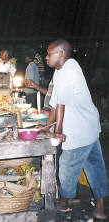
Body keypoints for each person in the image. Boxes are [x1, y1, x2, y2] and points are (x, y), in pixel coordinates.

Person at [46, 39, 108, 220]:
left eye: (50, 54)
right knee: (95, 167)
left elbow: (62, 103)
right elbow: (54, 105)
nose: (46, 57)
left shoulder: (70, 68)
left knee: (67, 167)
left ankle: (64, 203)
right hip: (88, 127)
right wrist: (45, 126)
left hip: (80, 128)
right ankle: (99, 208)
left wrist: (57, 130)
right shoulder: (59, 72)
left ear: (61, 54)